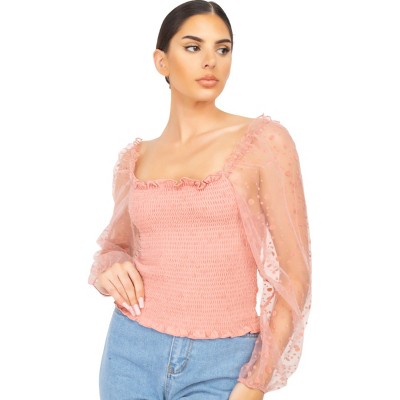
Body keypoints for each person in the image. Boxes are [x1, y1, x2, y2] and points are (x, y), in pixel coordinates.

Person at [88, 1, 312, 399]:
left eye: (222, 49)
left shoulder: (263, 142)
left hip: (224, 363)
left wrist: (256, 381)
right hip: (130, 352)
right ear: (161, 61)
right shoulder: (134, 159)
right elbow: (116, 248)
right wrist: (109, 270)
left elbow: (295, 275)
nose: (211, 61)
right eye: (193, 47)